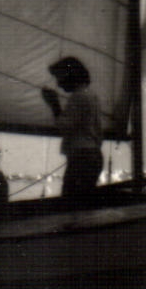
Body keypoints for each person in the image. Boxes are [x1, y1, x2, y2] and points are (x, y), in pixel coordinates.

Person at [41, 56, 102, 200]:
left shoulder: (78, 97)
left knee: (71, 200)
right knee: (82, 200)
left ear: (70, 76)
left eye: (60, 78)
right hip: (93, 154)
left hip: (81, 157)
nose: (58, 84)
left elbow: (65, 126)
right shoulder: (91, 96)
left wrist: (54, 104)